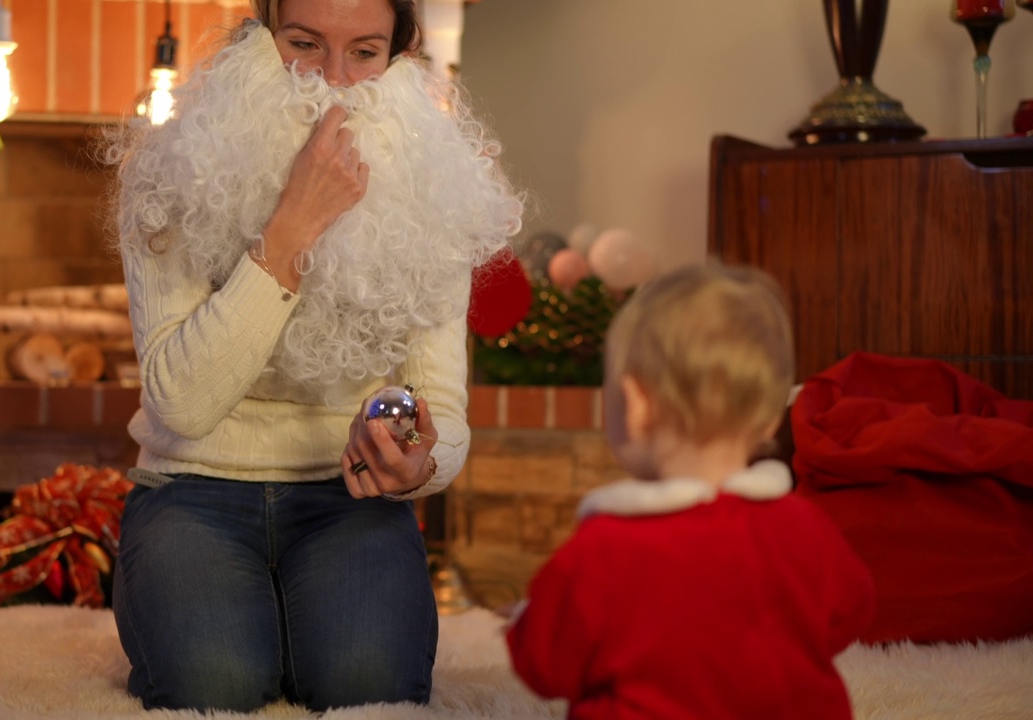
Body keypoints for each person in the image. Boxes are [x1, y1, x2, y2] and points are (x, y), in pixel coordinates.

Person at [106, 0, 522, 713]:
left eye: (363, 53)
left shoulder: (436, 185)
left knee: (366, 685)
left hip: (347, 501)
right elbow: (181, 403)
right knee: (216, 684)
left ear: (398, 60)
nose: (331, 82)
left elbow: (441, 419)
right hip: (192, 492)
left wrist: (414, 457)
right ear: (258, 40)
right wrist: (296, 220)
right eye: (303, 45)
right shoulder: (170, 167)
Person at [506, 262, 876, 720]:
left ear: (636, 405)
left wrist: (528, 618)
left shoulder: (603, 552)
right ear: (768, 418)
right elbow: (849, 613)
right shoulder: (807, 528)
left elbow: (544, 666)